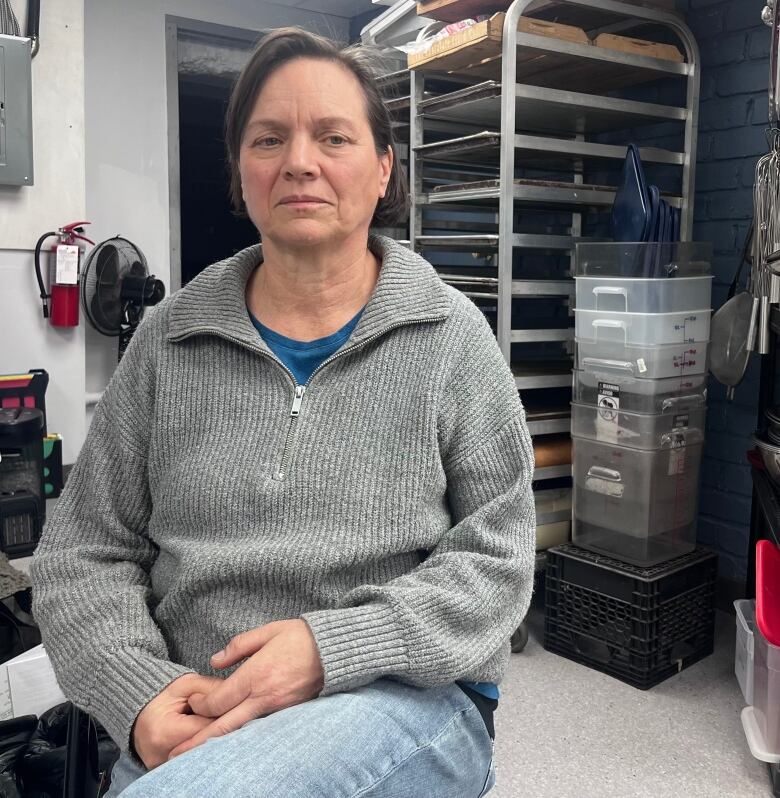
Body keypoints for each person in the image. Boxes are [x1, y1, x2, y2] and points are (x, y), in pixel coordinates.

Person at [31, 27, 535, 798]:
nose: (299, 161)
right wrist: (141, 698)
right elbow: (82, 555)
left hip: (399, 697)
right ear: (242, 170)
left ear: (382, 170)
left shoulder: (452, 339)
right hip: (196, 711)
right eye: (269, 138)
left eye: (333, 136)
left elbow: (498, 562)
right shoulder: (170, 343)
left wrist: (330, 646)